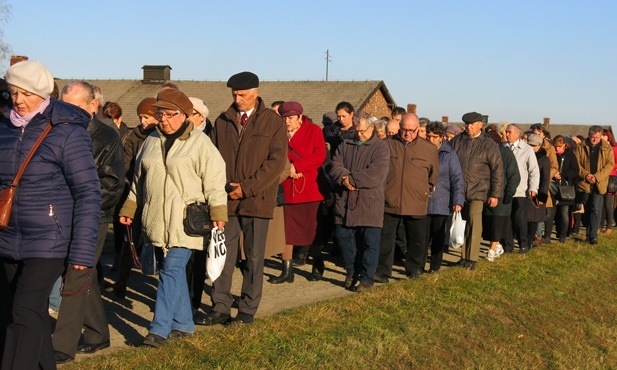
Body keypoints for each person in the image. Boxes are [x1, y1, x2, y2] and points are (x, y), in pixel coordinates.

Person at [0, 60, 101, 370]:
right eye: (14, 93)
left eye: (26, 94)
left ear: (43, 94)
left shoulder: (67, 132)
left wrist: (82, 252)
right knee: (20, 314)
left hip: (50, 240)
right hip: (7, 236)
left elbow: (88, 192)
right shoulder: (3, 127)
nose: (18, 100)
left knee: (25, 311)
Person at [119, 89, 228, 347]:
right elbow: (138, 180)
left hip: (188, 222)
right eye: (160, 114)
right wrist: (129, 208)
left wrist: (219, 212)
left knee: (171, 269)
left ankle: (158, 330)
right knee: (173, 273)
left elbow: (214, 181)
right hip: (157, 218)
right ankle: (184, 324)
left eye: (170, 114)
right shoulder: (150, 141)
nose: (164, 119)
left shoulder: (201, 144)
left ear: (184, 115)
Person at [52, 81, 124, 364]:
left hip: (92, 216)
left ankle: (63, 344)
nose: (65, 111)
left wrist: (85, 209)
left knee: (76, 273)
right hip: (62, 214)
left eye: (72, 106)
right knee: (86, 275)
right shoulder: (58, 130)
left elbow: (112, 183)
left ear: (93, 106)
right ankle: (97, 333)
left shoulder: (107, 136)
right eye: (62, 104)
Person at [206, 71, 286, 325]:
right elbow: (212, 158)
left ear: (256, 92)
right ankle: (220, 306)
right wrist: (223, 190)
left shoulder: (273, 122)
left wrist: (247, 188)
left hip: (257, 200)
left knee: (253, 258)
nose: (237, 99)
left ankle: (247, 309)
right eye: (234, 94)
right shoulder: (223, 120)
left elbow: (275, 164)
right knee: (223, 255)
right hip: (227, 200)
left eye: (242, 94)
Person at [329, 112, 390, 291]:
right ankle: (351, 270)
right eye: (357, 130)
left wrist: (353, 180)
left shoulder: (381, 148)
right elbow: (335, 165)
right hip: (346, 201)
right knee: (343, 237)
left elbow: (376, 173)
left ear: (372, 128)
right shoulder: (345, 144)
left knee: (370, 242)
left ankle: (366, 278)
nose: (359, 134)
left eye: (363, 131)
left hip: (370, 203)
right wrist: (344, 179)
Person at [375, 116, 440, 281]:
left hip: (416, 201)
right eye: (404, 129)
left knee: (416, 239)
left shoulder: (428, 149)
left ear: (418, 129)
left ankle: (414, 270)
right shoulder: (387, 144)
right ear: (399, 127)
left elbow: (433, 176)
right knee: (386, 238)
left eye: (411, 130)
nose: (407, 134)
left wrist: (424, 191)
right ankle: (383, 271)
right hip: (390, 200)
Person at [268, 102, 327, 283]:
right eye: (284, 118)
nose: (287, 121)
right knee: (286, 232)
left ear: (300, 117)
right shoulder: (278, 132)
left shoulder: (314, 131)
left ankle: (317, 264)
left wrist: (298, 166)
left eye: (291, 118)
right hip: (286, 188)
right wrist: (287, 168)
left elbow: (319, 155)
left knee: (312, 230)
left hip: (309, 189)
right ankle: (287, 271)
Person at [111, 97, 158, 299]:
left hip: (156, 197)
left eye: (147, 117)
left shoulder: (160, 137)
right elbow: (126, 164)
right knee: (129, 241)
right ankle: (121, 283)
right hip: (136, 195)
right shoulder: (133, 137)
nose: (143, 121)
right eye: (141, 117)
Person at [450, 112, 503, 269]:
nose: (468, 127)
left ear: (481, 125)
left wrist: (495, 194)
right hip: (459, 190)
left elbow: (497, 171)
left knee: (474, 223)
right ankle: (463, 257)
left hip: (478, 190)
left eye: (472, 124)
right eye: (467, 124)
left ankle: (472, 258)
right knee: (462, 224)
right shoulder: (457, 141)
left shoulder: (489, 144)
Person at [424, 122, 464, 271]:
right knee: (422, 237)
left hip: (442, 200)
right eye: (429, 136)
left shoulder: (449, 153)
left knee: (438, 237)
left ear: (441, 137)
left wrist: (458, 200)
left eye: (435, 137)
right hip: (423, 200)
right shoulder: (422, 150)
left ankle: (435, 266)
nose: (431, 139)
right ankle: (418, 266)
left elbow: (457, 178)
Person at [502, 124, 539, 253]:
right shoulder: (502, 148)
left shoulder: (527, 149)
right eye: (506, 132)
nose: (507, 134)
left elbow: (534, 170)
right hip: (505, 190)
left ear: (518, 134)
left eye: (509, 132)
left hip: (520, 190)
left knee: (520, 219)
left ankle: (523, 244)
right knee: (507, 219)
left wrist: (533, 188)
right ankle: (508, 245)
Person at [483, 131, 520, 261]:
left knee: (497, 224)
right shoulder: (484, 153)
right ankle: (497, 245)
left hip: (502, 195)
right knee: (488, 224)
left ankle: (492, 250)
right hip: (486, 194)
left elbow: (514, 175)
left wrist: (509, 192)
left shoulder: (506, 154)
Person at [574, 125, 614, 244]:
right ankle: (588, 232)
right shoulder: (580, 147)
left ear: (601, 136)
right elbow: (576, 164)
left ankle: (593, 236)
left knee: (596, 209)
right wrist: (586, 175)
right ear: (588, 135)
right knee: (586, 210)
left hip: (599, 183)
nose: (594, 140)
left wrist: (596, 177)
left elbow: (609, 165)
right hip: (584, 183)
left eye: (597, 137)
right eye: (592, 137)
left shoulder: (607, 148)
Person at [549, 135, 579, 243]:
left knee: (564, 212)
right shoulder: (552, 154)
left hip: (566, 187)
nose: (557, 149)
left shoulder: (570, 154)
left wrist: (563, 175)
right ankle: (555, 232)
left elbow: (575, 170)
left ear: (564, 146)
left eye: (559, 147)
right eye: (555, 147)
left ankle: (563, 235)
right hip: (553, 186)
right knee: (553, 213)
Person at [527, 134, 551, 248]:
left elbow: (545, 179)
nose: (531, 147)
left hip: (536, 193)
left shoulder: (544, 159)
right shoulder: (526, 155)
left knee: (534, 218)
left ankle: (532, 240)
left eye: (534, 145)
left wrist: (542, 196)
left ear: (539, 146)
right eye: (529, 145)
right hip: (525, 190)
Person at [600, 128, 617, 234]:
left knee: (608, 203)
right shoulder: (599, 148)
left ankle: (609, 226)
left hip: (610, 177)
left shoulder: (614, 149)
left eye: (603, 135)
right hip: (600, 177)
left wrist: (608, 167)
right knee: (599, 203)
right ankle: (599, 225)